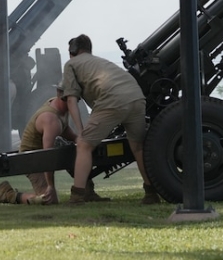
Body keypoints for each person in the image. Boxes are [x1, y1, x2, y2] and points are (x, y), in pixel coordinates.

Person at [61, 34, 159, 205]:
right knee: (137, 147)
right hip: (136, 97)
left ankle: (77, 196)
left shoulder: (71, 64)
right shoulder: (100, 61)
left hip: (112, 100)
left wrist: (80, 131)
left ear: (73, 51)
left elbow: (70, 100)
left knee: (84, 145)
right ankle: (151, 194)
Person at [0, 82, 78, 206]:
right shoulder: (50, 119)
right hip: (31, 160)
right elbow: (47, 157)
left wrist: (78, 139)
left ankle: (88, 191)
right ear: (60, 94)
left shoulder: (60, 107)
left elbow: (64, 128)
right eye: (72, 98)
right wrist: (50, 186)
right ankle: (8, 194)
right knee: (48, 200)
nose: (75, 102)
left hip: (40, 155)